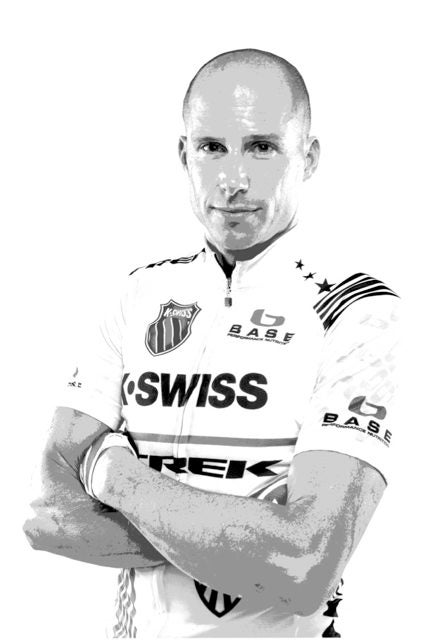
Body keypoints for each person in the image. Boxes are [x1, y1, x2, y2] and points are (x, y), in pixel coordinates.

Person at [23, 48, 400, 638]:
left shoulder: (354, 309)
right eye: (212, 147)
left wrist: (114, 475)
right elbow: (48, 518)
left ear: (308, 157)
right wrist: (244, 540)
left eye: (262, 147)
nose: (233, 180)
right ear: (184, 155)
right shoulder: (137, 295)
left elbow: (304, 565)